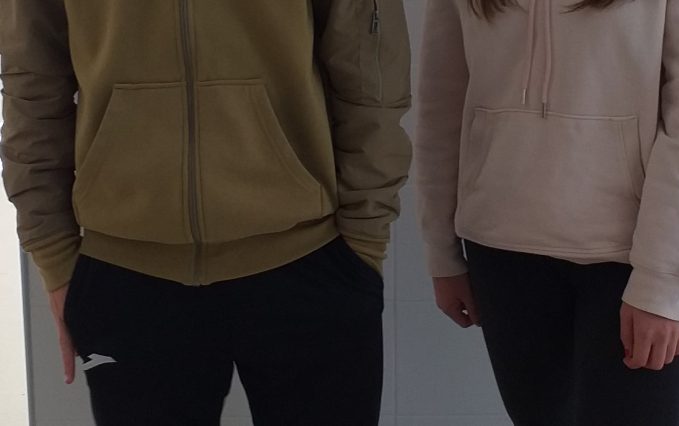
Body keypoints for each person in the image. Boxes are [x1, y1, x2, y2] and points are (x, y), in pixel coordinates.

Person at [0, 1, 411, 425]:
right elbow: (31, 74)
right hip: (126, 275)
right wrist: (52, 249)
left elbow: (370, 62)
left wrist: (365, 232)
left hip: (312, 260)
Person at [414, 0, 679, 425]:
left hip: (630, 260)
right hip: (501, 250)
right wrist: (441, 251)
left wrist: (664, 280)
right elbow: (441, 96)